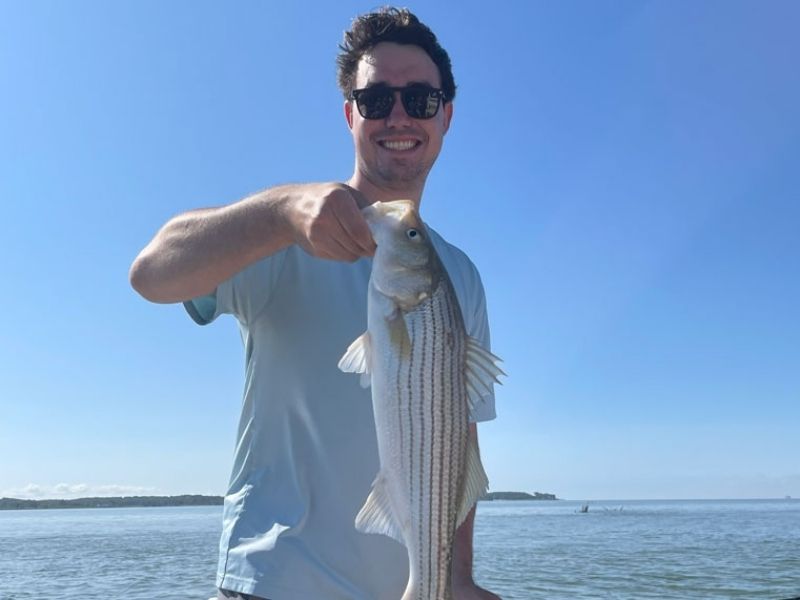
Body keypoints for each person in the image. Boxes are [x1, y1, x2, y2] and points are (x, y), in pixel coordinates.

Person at [130, 7, 500, 600]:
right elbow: (151, 274)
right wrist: (280, 213)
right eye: (376, 99)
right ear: (351, 114)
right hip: (273, 582)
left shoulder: (462, 276)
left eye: (420, 100)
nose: (398, 116)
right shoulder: (282, 233)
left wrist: (456, 580)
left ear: (446, 116)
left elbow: (460, 442)